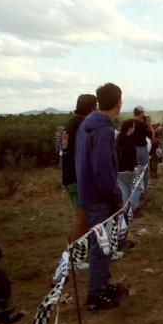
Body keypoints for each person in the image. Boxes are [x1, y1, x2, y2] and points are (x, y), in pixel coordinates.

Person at [75, 83, 126, 311]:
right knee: (101, 245)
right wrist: (116, 197)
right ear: (118, 102)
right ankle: (96, 296)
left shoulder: (88, 123)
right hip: (100, 196)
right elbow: (103, 169)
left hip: (89, 192)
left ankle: (103, 286)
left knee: (104, 243)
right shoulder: (104, 130)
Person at [61, 94, 97, 240]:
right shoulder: (82, 125)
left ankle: (78, 251)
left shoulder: (70, 124)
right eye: (96, 106)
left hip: (69, 175)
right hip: (77, 177)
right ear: (91, 107)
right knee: (82, 218)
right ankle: (75, 255)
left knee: (82, 215)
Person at [116, 119, 138, 204]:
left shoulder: (118, 138)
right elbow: (130, 155)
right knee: (133, 189)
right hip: (127, 169)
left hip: (119, 169)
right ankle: (131, 208)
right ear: (129, 128)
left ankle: (124, 209)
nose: (134, 128)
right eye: (133, 127)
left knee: (123, 189)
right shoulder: (128, 140)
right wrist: (132, 168)